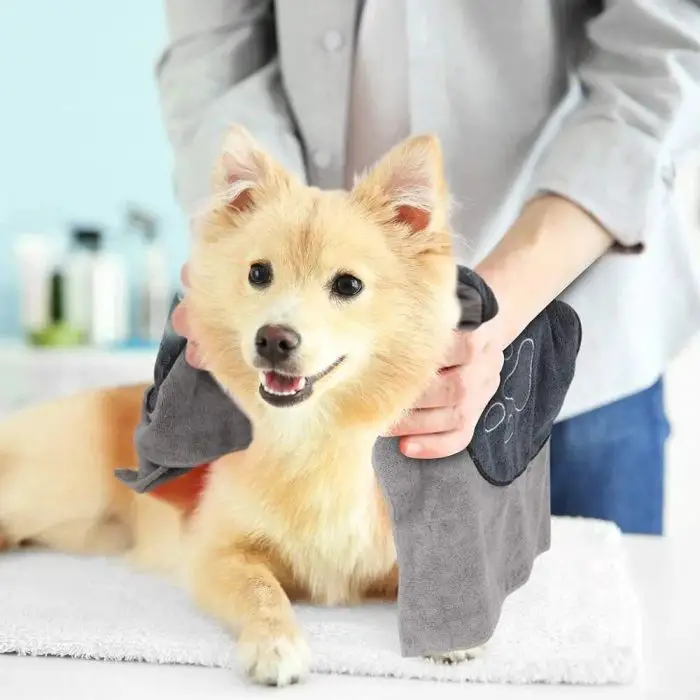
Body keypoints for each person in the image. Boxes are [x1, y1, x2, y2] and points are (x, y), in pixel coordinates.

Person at [156, 1, 700, 535]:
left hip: (582, 337)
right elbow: (215, 61)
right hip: (313, 400)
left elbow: (662, 54)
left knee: (592, 604)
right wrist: (261, 243)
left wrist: (494, 309)